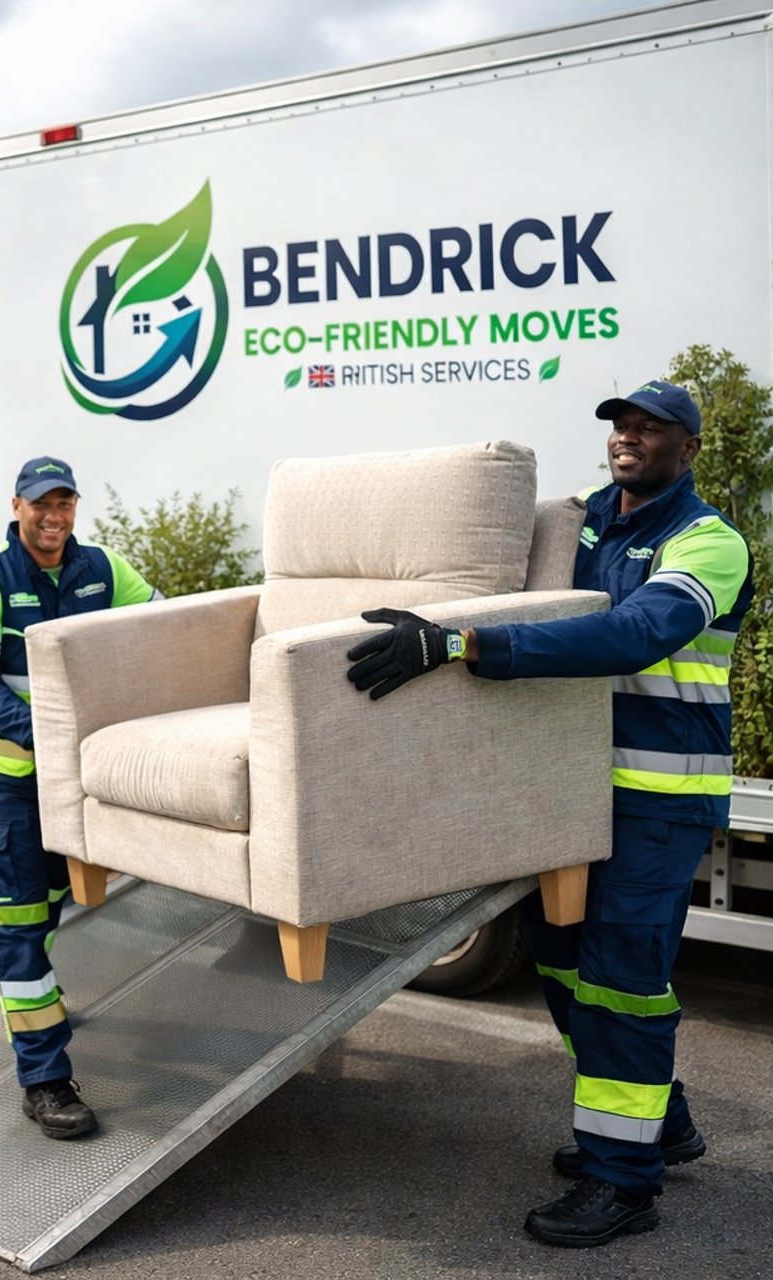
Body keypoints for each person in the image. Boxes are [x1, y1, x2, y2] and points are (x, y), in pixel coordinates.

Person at [344, 379, 753, 1248]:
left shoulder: (709, 542)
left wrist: (470, 646)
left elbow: (636, 634)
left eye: (653, 429)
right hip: (564, 794)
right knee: (565, 967)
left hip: (658, 800)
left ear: (691, 447)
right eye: (622, 425)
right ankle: (658, 1126)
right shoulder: (581, 523)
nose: (630, 438)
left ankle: (623, 1182)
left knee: (622, 983)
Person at [0, 456, 159, 1138]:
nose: (54, 516)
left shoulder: (102, 568)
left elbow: (166, 628)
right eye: (41, 503)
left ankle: (32, 989)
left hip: (68, 780)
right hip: (7, 778)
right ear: (17, 506)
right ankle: (44, 1079)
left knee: (48, 907)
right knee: (16, 925)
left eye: (65, 503)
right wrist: (57, 735)